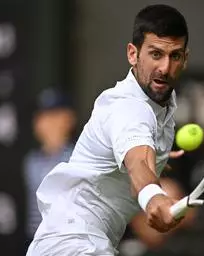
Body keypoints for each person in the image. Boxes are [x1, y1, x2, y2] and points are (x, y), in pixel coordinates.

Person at [26, 4, 189, 255]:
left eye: (175, 56)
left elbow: (139, 155)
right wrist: (154, 197)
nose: (165, 68)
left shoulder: (160, 112)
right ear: (133, 54)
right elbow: (138, 165)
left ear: (184, 59)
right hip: (74, 243)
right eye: (156, 54)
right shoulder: (128, 108)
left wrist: (159, 158)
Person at [23, 87, 77, 246]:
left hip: (68, 243)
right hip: (36, 242)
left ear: (69, 119)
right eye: (43, 117)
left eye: (56, 116)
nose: (49, 123)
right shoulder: (31, 161)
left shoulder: (78, 157)